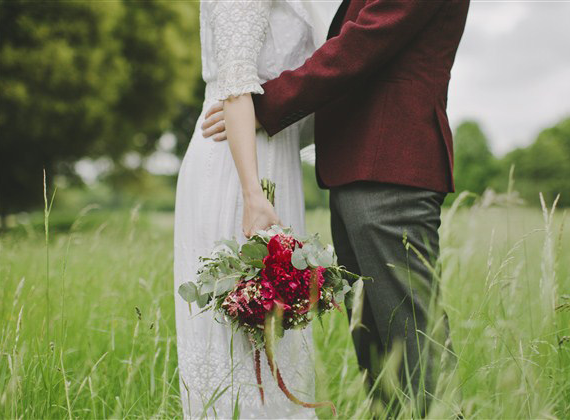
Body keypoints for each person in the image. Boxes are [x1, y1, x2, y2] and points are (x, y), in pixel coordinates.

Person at [202, 0, 471, 415]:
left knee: (413, 337)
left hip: (392, 168)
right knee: (376, 347)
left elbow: (361, 44)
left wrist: (264, 104)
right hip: (359, 166)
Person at [173, 0, 331, 418]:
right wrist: (252, 194)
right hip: (236, 163)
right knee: (236, 327)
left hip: (274, 155)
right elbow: (236, 84)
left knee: (276, 330)